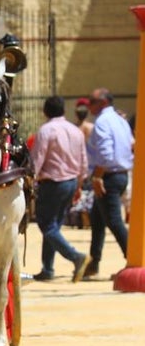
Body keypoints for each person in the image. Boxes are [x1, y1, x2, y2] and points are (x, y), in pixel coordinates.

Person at [29, 96, 91, 282]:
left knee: (47, 226)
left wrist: (30, 180)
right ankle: (47, 268)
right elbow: (83, 163)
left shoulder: (46, 130)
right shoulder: (75, 130)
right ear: (63, 110)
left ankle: (76, 257)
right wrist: (79, 185)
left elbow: (37, 159)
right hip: (71, 182)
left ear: (45, 112)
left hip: (53, 184)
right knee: (54, 225)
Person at [85, 88, 133, 280]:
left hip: (108, 177)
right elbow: (131, 144)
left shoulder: (103, 122)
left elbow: (105, 154)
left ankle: (134, 261)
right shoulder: (120, 120)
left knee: (114, 221)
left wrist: (97, 177)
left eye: (92, 101)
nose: (89, 105)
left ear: (103, 103)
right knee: (97, 219)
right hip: (120, 174)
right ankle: (93, 263)